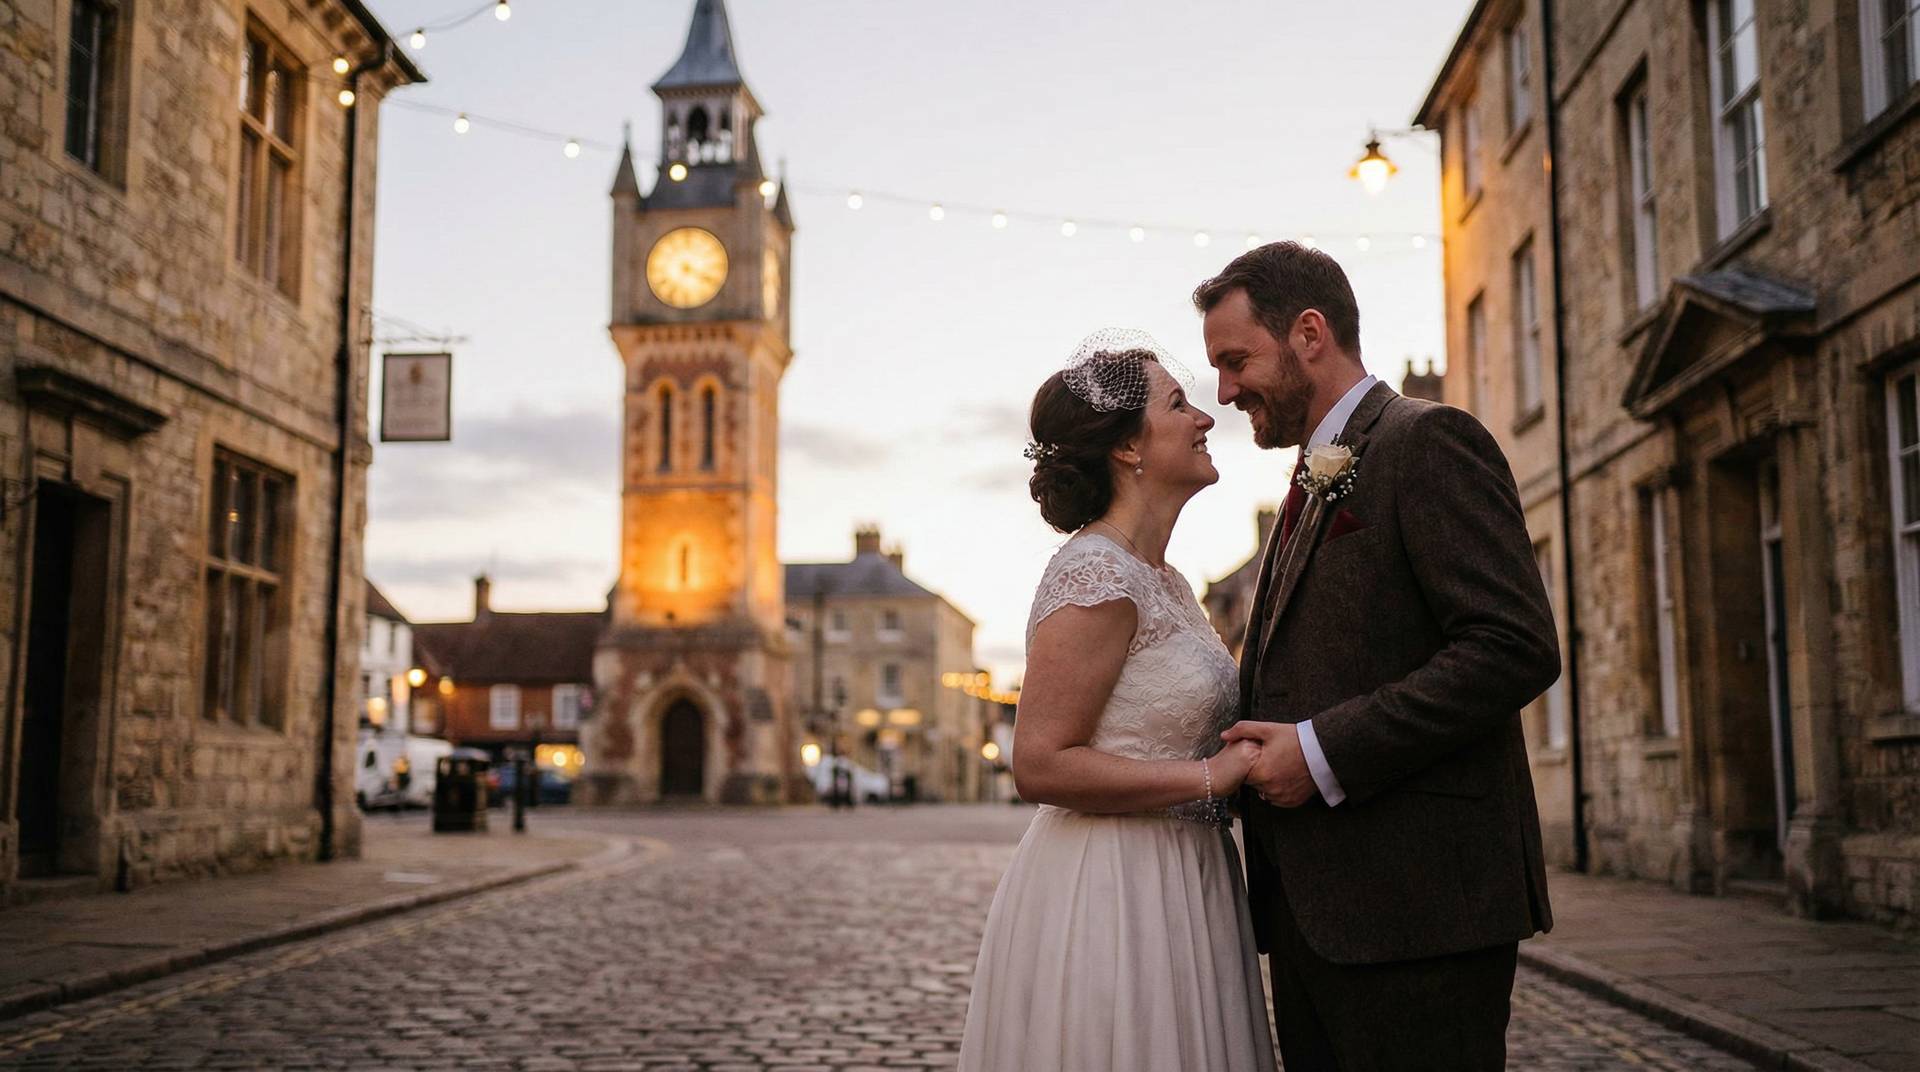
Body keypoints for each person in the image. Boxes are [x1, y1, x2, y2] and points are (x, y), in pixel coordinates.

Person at [1198, 242, 1560, 1070]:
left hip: (1420, 913)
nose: (1224, 390)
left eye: (1235, 359)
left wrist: (1322, 752)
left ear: (1310, 333)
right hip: (1312, 920)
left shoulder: (1428, 441)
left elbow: (1513, 646)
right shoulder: (1306, 477)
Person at [957, 329, 1277, 1072]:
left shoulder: (1165, 581)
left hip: (1185, 878)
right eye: (1178, 403)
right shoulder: (1096, 574)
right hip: (1117, 886)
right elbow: (1038, 765)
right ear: (1129, 449)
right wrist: (1208, 780)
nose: (1204, 418)